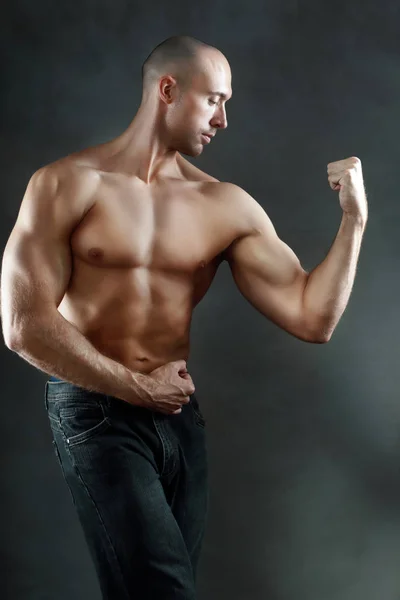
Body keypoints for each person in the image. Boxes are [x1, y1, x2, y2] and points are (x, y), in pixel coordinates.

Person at [1, 35, 368, 599]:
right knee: (163, 591)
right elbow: (23, 324)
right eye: (214, 100)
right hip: (98, 412)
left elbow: (312, 317)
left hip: (177, 417)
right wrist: (135, 389)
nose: (224, 120)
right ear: (168, 90)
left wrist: (354, 222)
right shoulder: (66, 185)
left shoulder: (224, 205)